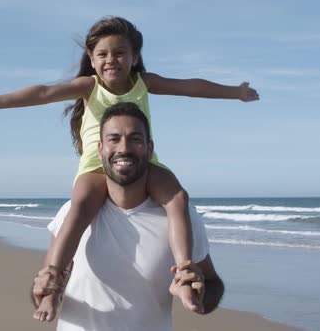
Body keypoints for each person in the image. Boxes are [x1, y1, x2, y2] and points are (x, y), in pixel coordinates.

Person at [0, 16, 256, 321]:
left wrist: (235, 92)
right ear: (92, 59)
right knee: (81, 207)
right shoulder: (90, 86)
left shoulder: (145, 82)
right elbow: (44, 92)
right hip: (95, 164)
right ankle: (52, 285)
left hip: (144, 161)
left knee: (178, 198)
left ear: (134, 57)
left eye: (120, 53)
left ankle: (182, 275)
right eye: (102, 54)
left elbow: (191, 87)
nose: (111, 60)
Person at [31, 102, 224, 331]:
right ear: (100, 149)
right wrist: (40, 291)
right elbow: (47, 284)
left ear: (149, 149)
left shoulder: (181, 218)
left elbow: (213, 284)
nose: (124, 148)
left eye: (135, 139)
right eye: (114, 139)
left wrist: (199, 295)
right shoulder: (72, 213)